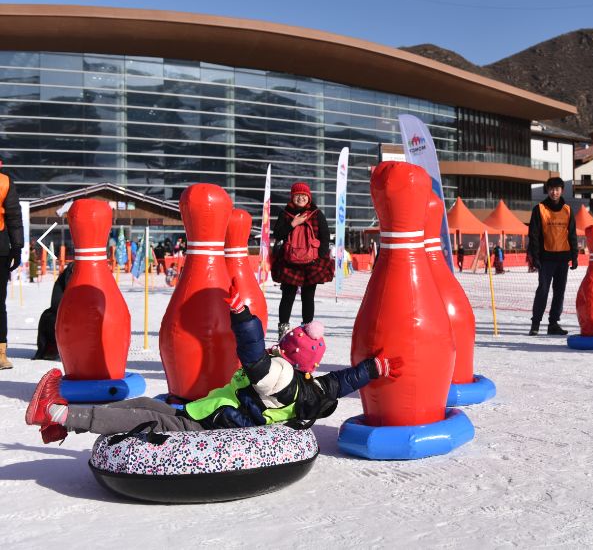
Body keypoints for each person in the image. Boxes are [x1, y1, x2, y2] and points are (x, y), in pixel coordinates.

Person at [25, 282, 402, 444]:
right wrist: (373, 370)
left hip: (210, 426)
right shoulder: (309, 385)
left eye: (283, 343)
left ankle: (57, 414)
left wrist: (242, 315)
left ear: (289, 351)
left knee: (150, 417)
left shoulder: (278, 375)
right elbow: (341, 382)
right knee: (145, 404)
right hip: (210, 413)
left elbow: (252, 353)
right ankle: (68, 423)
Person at [272, 182, 333, 340]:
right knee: (288, 296)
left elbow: (325, 237)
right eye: (297, 195)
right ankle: (283, 329)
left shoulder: (316, 214)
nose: (300, 198)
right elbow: (278, 234)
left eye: (303, 195)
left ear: (309, 197)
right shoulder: (285, 213)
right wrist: (293, 224)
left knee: (308, 297)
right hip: (289, 262)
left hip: (311, 263)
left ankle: (308, 328)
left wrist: (319, 257)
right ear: (292, 197)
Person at [527, 177, 578, 336]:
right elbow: (533, 234)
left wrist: (574, 256)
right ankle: (535, 323)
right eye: (551, 189)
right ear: (547, 190)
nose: (554, 192)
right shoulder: (539, 209)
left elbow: (572, 235)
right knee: (543, 290)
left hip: (562, 258)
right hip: (545, 258)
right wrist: (535, 257)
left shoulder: (568, 210)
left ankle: (553, 323)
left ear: (562, 190)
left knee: (559, 292)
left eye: (557, 189)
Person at [0, 160, 24, 370]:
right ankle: (0, 354)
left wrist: (17, 246)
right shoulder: (5, 181)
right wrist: (16, 246)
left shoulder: (5, 182)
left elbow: (14, 217)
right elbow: (14, 216)